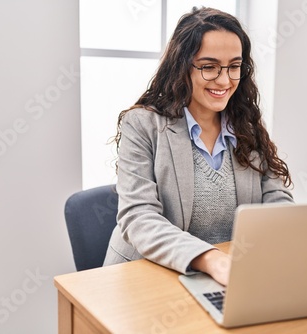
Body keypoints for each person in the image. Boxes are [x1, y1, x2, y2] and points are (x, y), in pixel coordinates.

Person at [103, 7, 293, 286]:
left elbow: (277, 202)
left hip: (225, 278)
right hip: (148, 278)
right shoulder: (142, 125)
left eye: (234, 66)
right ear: (183, 67)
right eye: (209, 66)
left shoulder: (247, 127)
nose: (225, 80)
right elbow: (139, 218)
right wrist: (212, 259)